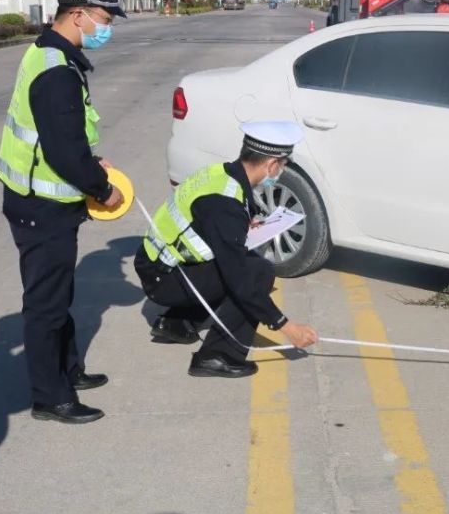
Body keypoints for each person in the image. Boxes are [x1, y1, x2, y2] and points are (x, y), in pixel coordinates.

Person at [0, 0, 127, 424]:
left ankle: (69, 370)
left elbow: (65, 137)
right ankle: (51, 396)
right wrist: (101, 187)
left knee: (59, 293)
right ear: (78, 14)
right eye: (104, 17)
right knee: (46, 303)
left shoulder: (53, 54)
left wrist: (92, 162)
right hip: (41, 205)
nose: (107, 26)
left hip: (42, 200)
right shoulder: (56, 70)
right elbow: (63, 151)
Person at [134, 121, 319, 377]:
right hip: (164, 279)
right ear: (271, 164)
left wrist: (247, 222)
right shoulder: (223, 204)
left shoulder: (221, 174)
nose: (281, 172)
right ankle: (217, 356)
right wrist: (286, 327)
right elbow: (240, 279)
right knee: (257, 272)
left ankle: (176, 322)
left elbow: (210, 219)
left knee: (236, 263)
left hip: (159, 265)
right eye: (283, 165)